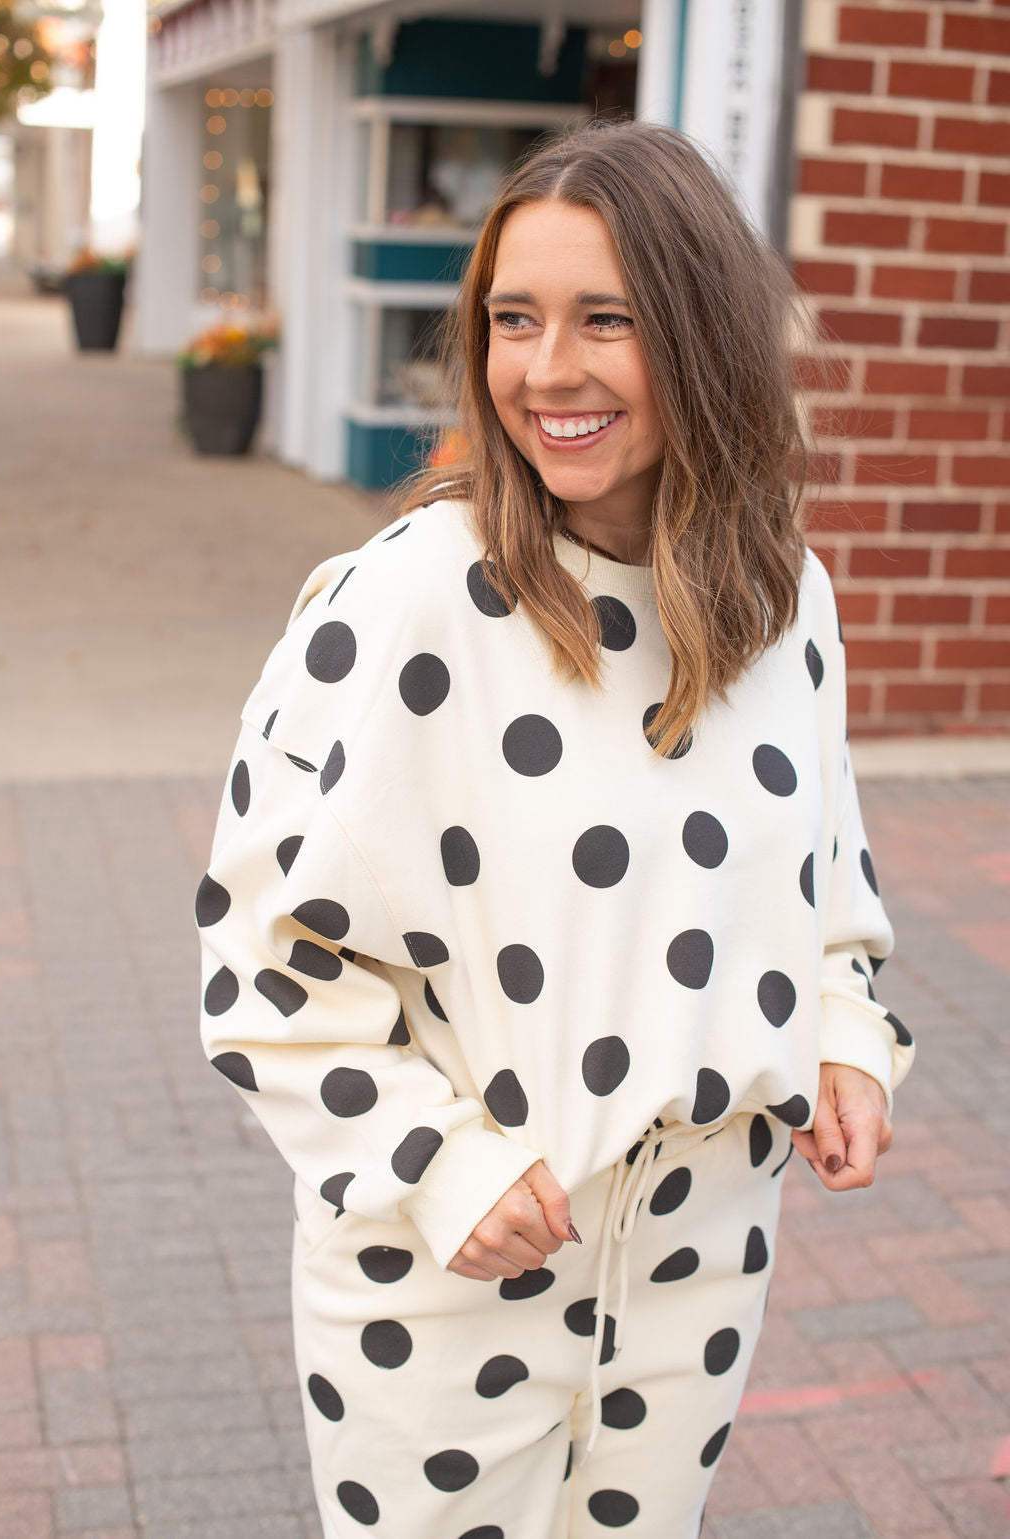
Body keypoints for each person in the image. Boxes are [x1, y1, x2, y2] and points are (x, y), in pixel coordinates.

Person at [197, 120, 913, 1539]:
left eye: (608, 320)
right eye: (513, 319)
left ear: (705, 336)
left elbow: (827, 887)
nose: (545, 370)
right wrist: (440, 1166)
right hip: (445, 1286)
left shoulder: (789, 601)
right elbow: (265, 960)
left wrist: (844, 1036)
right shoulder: (408, 600)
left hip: (699, 1279)